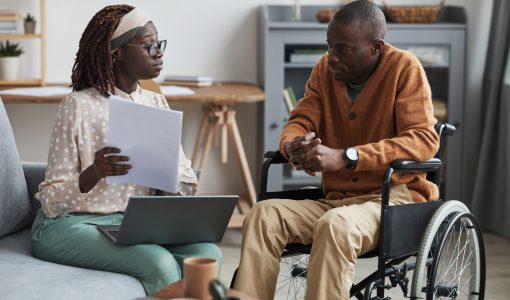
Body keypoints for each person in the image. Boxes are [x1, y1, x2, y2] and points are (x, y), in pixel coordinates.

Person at [233, 1, 439, 299]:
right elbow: (301, 119)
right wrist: (294, 145)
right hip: (338, 200)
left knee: (335, 225)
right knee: (263, 215)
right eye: (329, 46)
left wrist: (347, 157)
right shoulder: (324, 71)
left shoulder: (404, 68)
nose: (331, 57)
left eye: (343, 49)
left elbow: (422, 139)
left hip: (394, 200)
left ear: (375, 47)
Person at [31, 5, 222, 295]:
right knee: (157, 262)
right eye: (149, 46)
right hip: (70, 225)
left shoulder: (156, 104)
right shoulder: (78, 106)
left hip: (134, 221)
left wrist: (170, 174)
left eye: (160, 44)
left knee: (209, 254)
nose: (159, 53)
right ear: (117, 51)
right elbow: (51, 202)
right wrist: (95, 172)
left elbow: (186, 185)